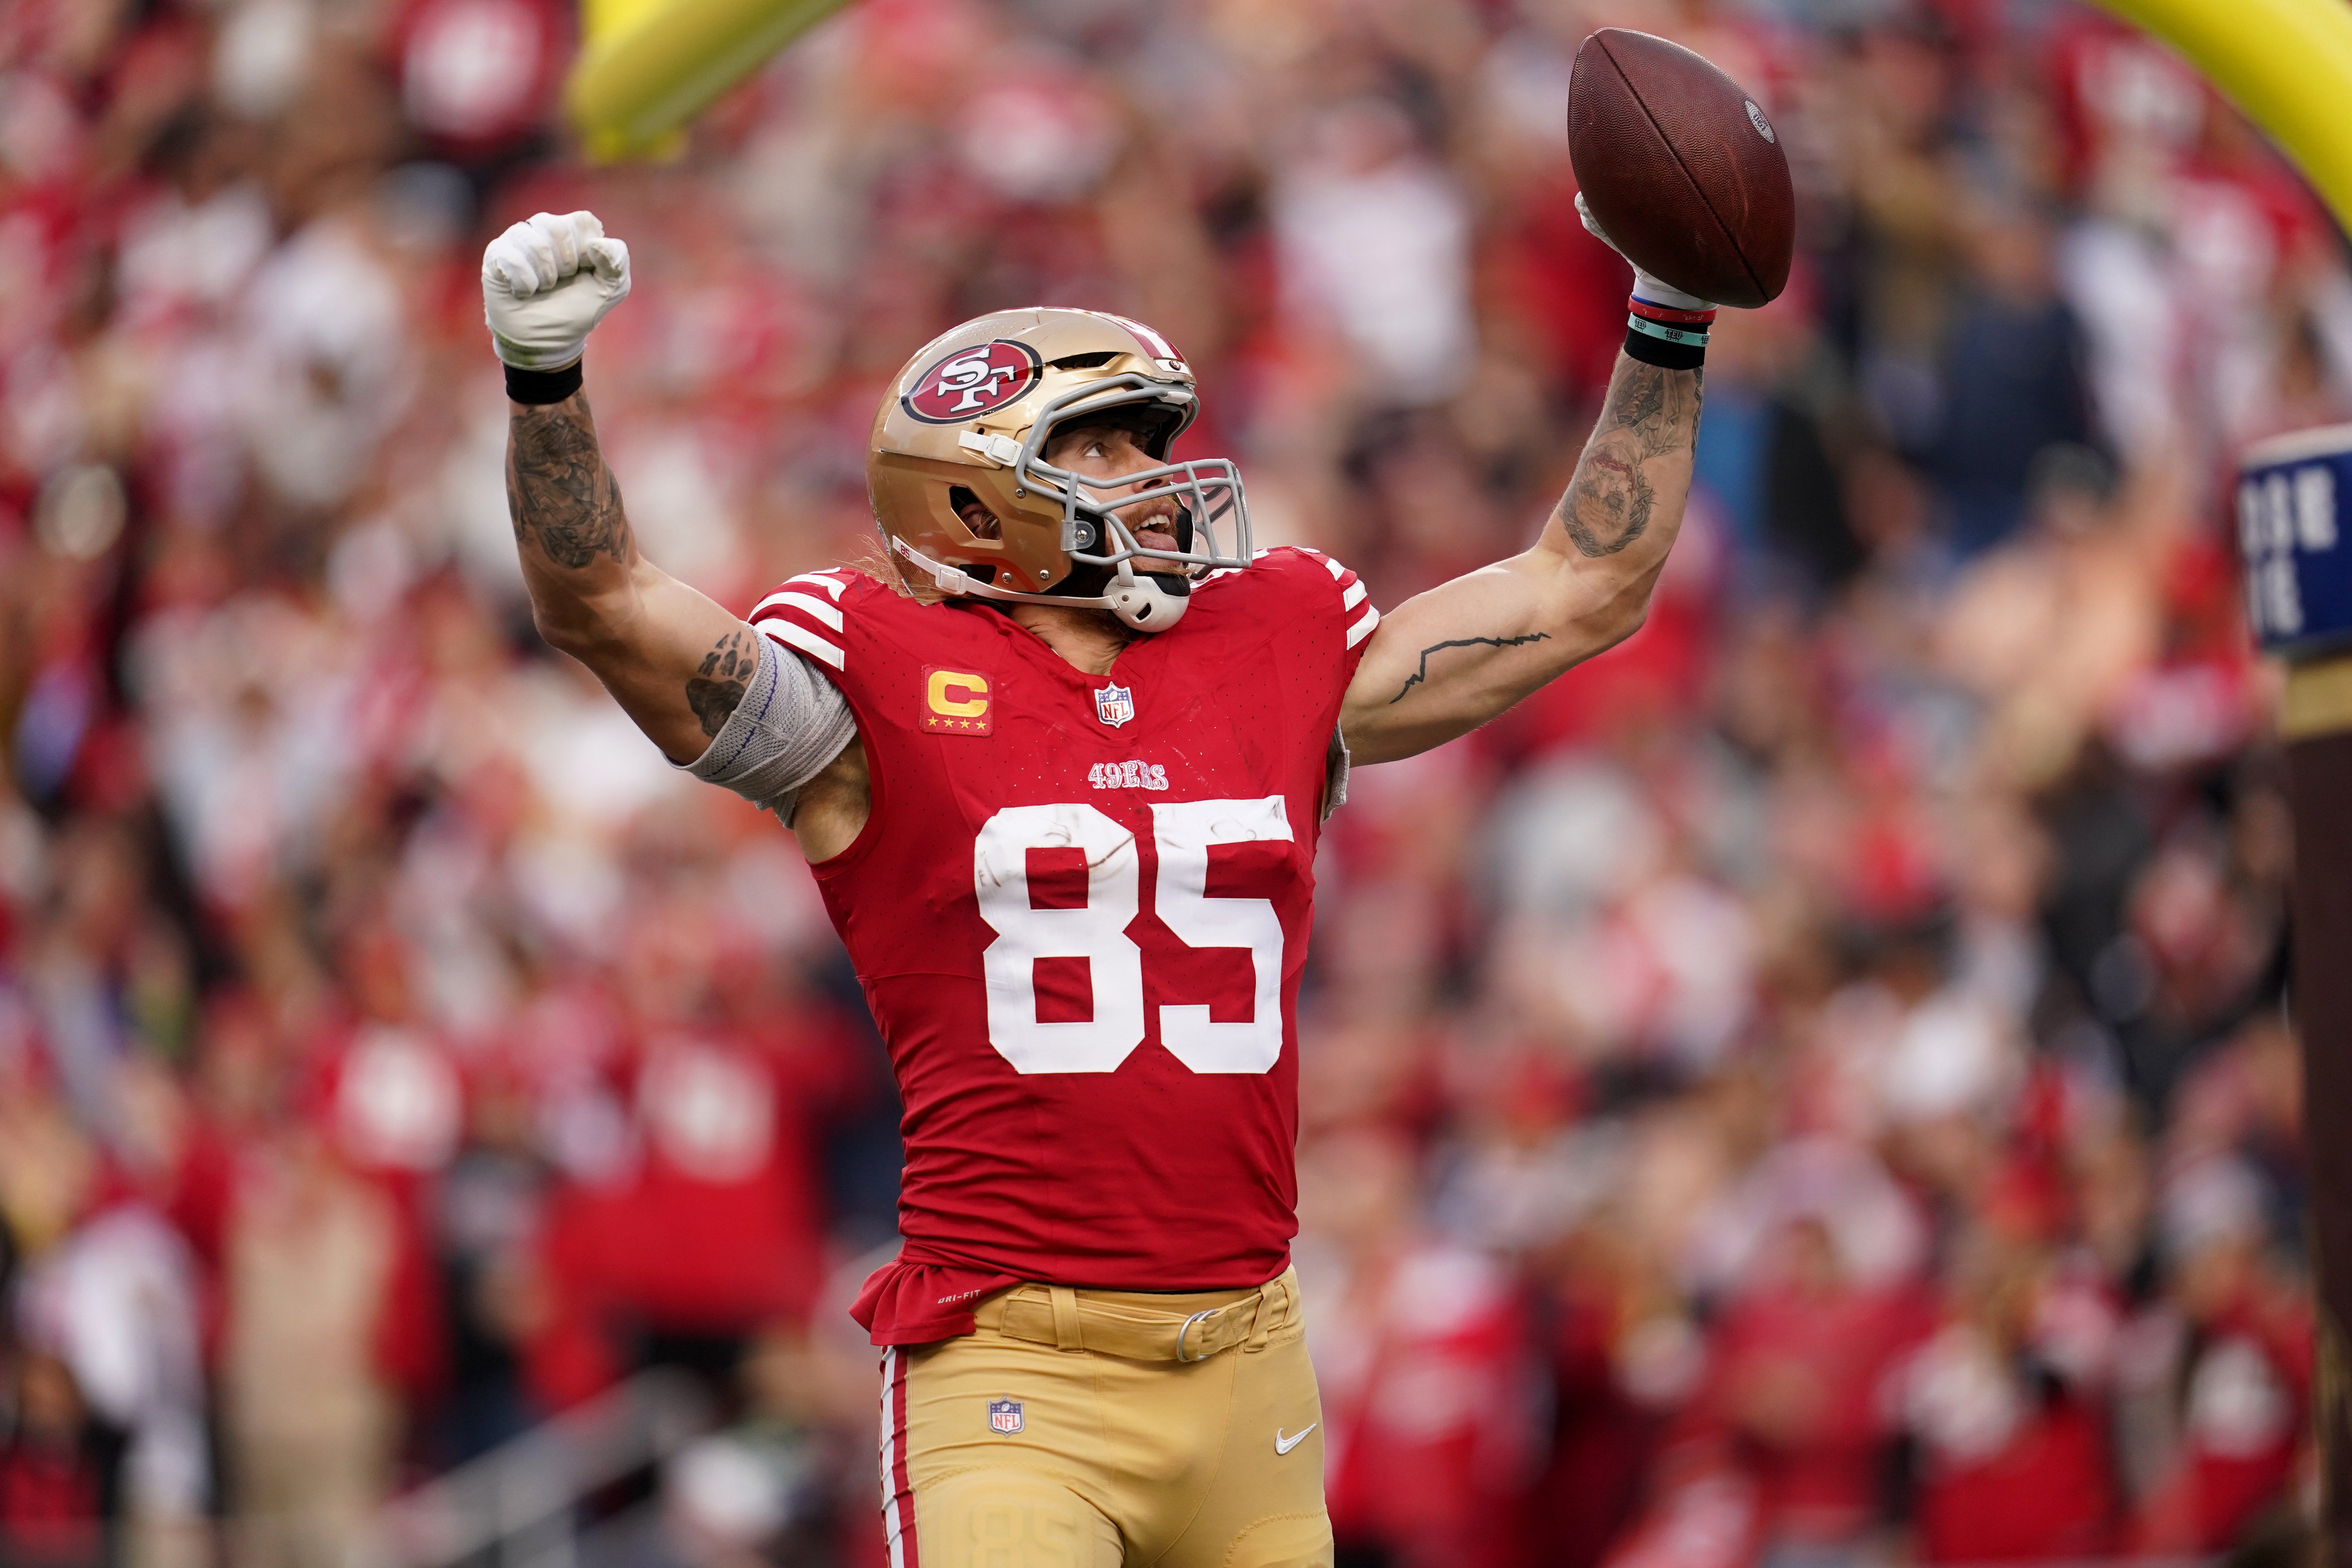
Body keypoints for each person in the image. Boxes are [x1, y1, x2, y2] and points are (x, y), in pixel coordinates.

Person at [478, 200, 1717, 1568]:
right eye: (1103, 442)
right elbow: (605, 606)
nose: (1151, 471)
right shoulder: (875, 686)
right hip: (1019, 1373)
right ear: (972, 497)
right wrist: (548, 387)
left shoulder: (1277, 640)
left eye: (1150, 438)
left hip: (1252, 1359)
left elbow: (1588, 582)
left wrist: (1667, 312)